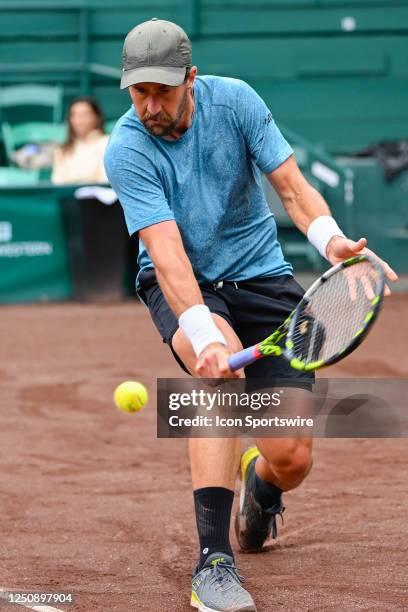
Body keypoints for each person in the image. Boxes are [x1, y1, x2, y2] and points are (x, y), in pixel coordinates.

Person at [104, 18, 397, 612]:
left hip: (262, 275)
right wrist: (204, 334)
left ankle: (260, 486)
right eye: (139, 92)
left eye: (163, 89)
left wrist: (332, 241)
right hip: (185, 284)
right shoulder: (126, 147)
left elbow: (290, 187)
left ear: (190, 76)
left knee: (291, 457)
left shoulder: (235, 100)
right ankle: (212, 564)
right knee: (219, 382)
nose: (151, 105)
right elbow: (166, 253)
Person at [51, 97, 109, 185]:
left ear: (97, 117)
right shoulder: (62, 150)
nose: (79, 120)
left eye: (85, 114)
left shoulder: (108, 143)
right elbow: (58, 183)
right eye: (74, 115)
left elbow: (105, 181)